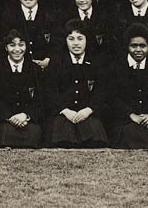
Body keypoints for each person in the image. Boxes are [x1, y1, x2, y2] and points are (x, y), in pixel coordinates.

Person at [109, 23, 148, 149]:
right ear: (127, 46)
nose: (138, 50)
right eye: (134, 46)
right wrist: (131, 115)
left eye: (142, 46)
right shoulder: (117, 67)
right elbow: (113, 98)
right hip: (126, 121)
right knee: (131, 134)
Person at [44, 20, 108, 148]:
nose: (76, 43)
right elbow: (49, 90)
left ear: (87, 40)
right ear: (65, 40)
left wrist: (88, 110)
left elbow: (102, 90)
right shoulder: (57, 61)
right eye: (71, 39)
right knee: (62, 140)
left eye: (80, 38)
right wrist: (65, 111)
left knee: (95, 141)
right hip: (64, 114)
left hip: (87, 114)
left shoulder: (96, 61)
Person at [0, 29, 43, 148]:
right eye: (12, 45)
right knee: (4, 133)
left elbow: (40, 100)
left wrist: (25, 115)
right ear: (6, 48)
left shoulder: (35, 69)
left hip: (27, 121)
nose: (17, 49)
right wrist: (9, 117)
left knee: (34, 133)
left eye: (21, 45)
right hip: (5, 121)